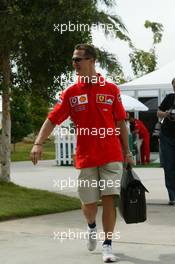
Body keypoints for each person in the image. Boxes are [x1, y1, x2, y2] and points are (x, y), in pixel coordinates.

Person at [31, 43, 134, 262]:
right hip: (86, 156)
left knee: (109, 199)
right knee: (88, 205)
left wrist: (128, 151)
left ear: (92, 61)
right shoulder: (71, 93)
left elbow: (120, 122)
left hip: (111, 154)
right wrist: (38, 143)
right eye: (73, 60)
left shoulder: (111, 89)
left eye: (79, 59)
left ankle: (108, 245)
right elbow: (52, 119)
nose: (75, 63)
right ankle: (91, 226)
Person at [157, 77, 175, 205]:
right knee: (169, 167)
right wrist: (166, 114)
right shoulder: (169, 98)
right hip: (167, 136)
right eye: (174, 85)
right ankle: (172, 196)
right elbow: (158, 112)